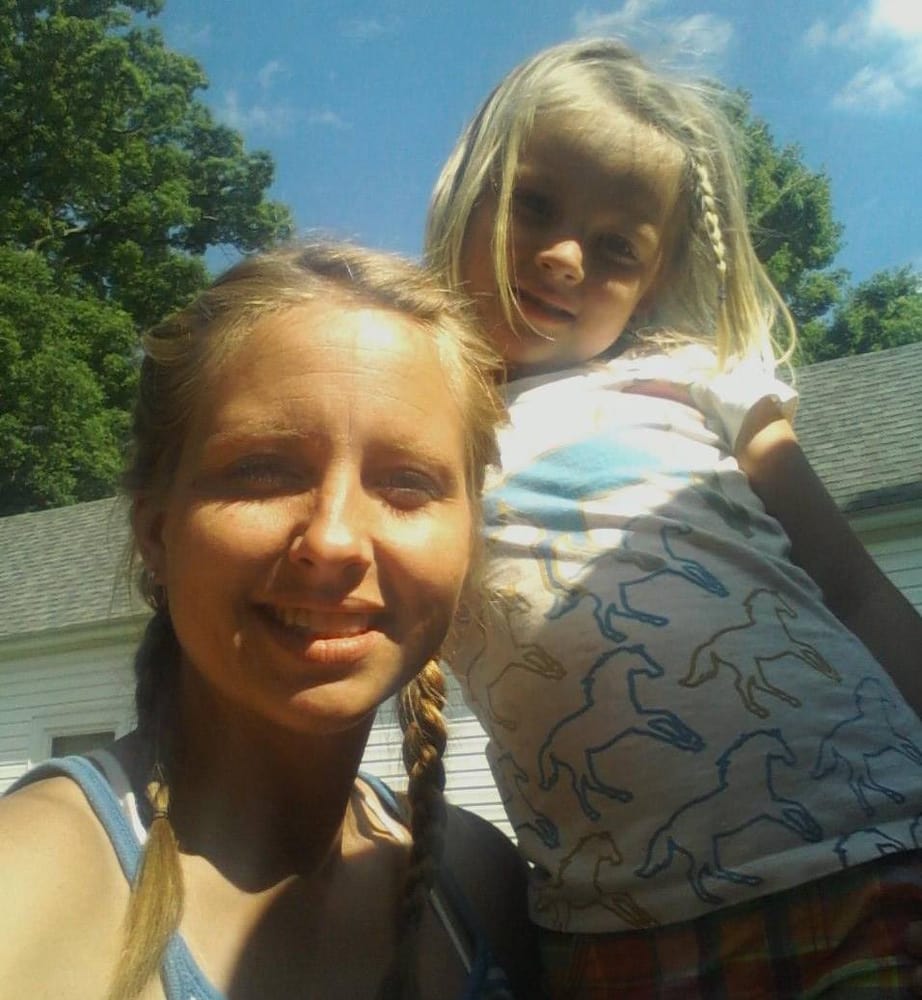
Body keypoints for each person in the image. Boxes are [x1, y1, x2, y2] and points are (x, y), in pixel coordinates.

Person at [425, 37, 922, 997]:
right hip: (615, 927)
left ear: (651, 282)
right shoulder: (415, 426)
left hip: (872, 851)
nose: (564, 257)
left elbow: (855, 588)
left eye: (617, 247)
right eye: (534, 204)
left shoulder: (692, 377)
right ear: (471, 194)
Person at [0, 242, 541, 1000]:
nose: (334, 539)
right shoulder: (27, 890)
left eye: (408, 482)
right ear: (157, 530)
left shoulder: (486, 884)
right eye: (260, 471)